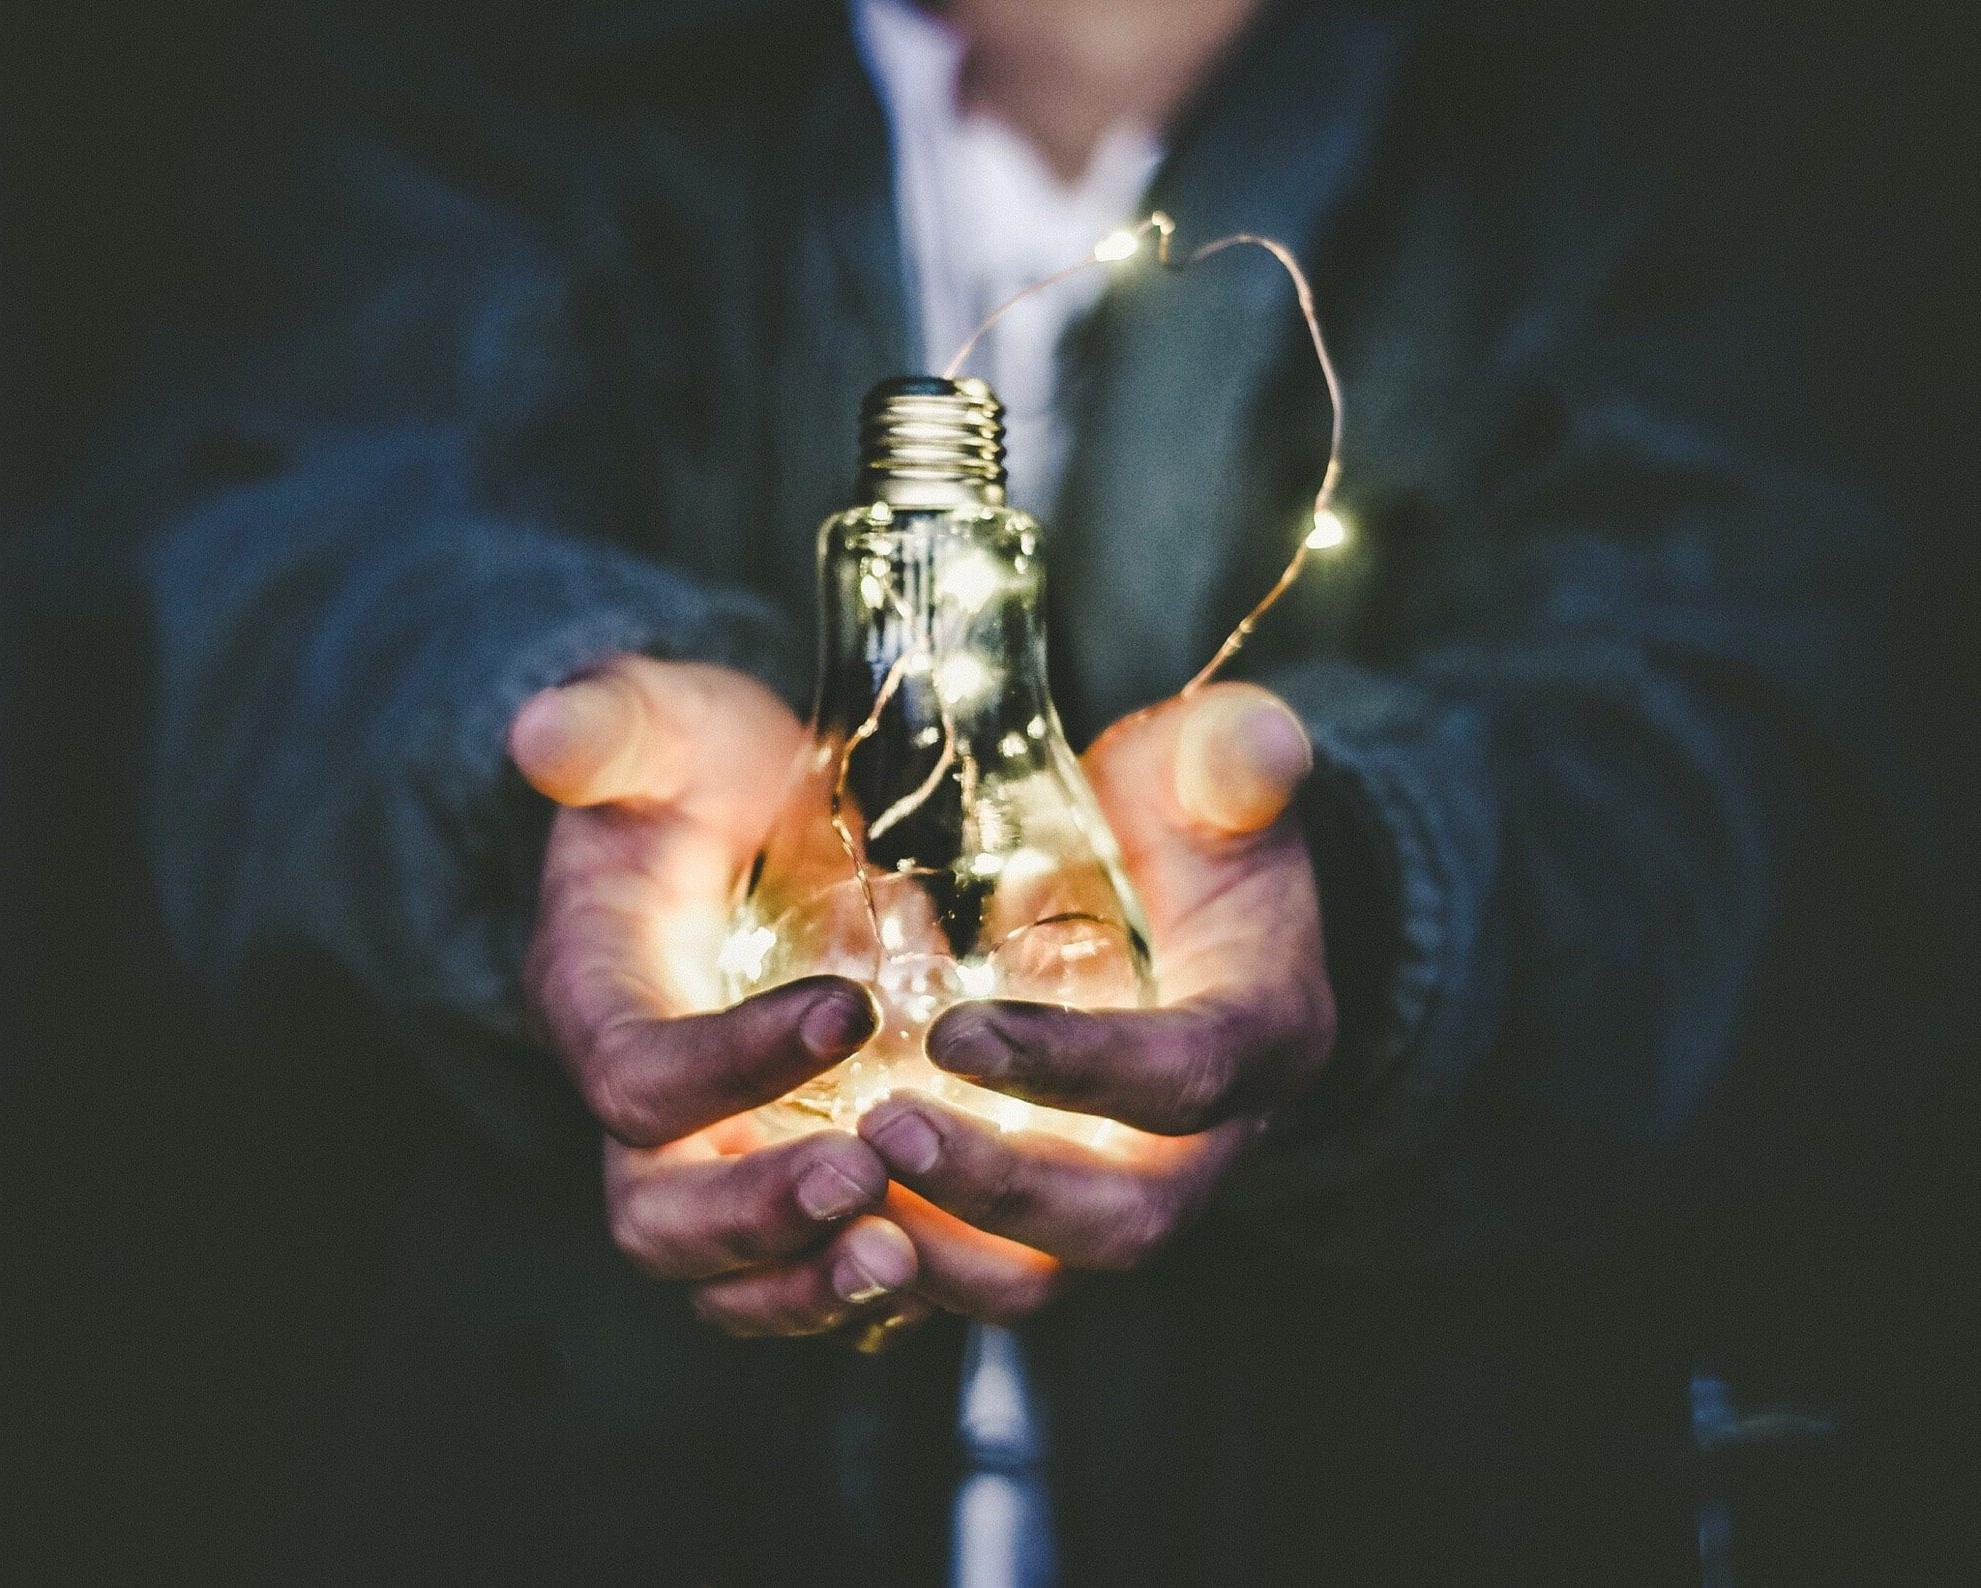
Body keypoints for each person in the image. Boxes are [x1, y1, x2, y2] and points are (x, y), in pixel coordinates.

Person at [52, 0, 1920, 1579]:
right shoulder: (512, 94)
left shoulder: (1605, 136)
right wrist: (527, 752)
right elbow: (241, 562)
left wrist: (1367, 889)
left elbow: (1787, 731)